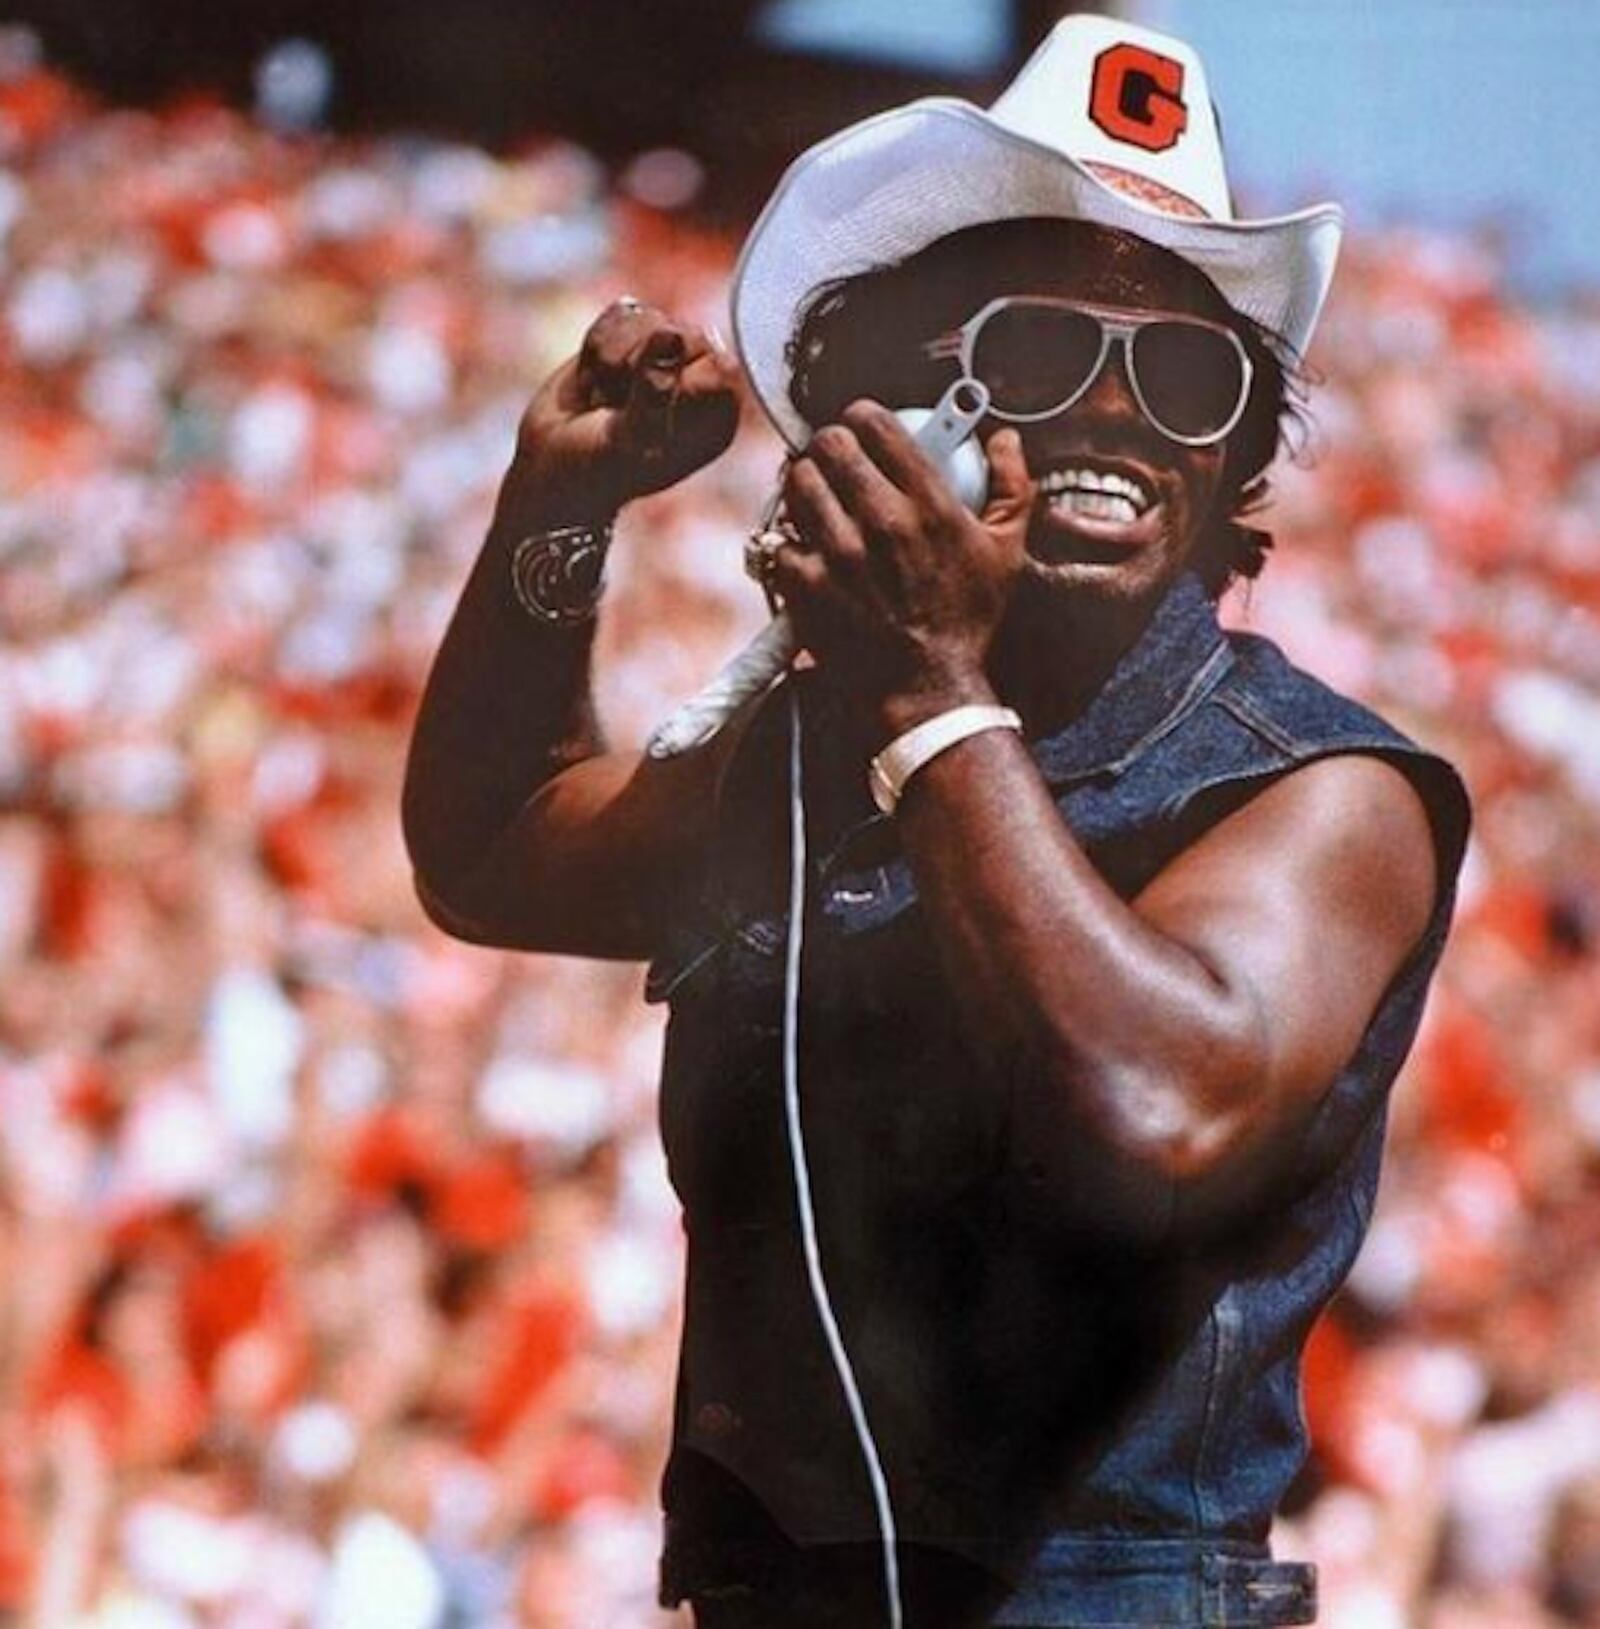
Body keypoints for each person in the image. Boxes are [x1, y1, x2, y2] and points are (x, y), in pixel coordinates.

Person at [403, 16, 1470, 1628]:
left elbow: (1159, 1105)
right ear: (917, 409)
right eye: (1045, 353)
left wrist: (928, 704)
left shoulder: (1323, 790)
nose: (1119, 415)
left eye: (1189, 375)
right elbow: (494, 849)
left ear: (1235, 456)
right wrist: (561, 516)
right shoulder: (809, 754)